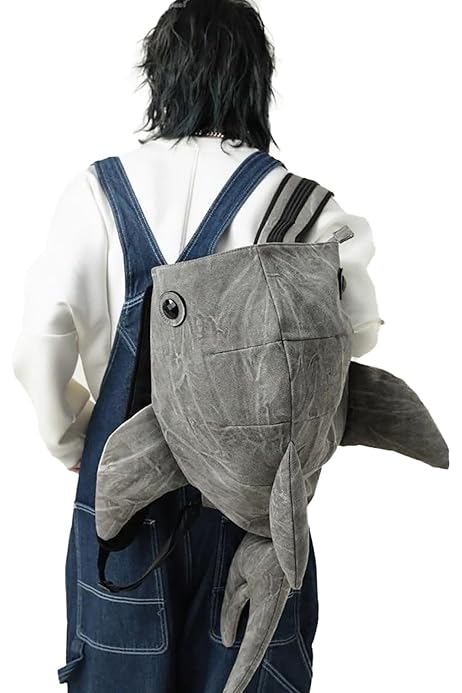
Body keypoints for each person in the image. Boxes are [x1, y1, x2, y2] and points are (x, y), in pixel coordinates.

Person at [11, 0, 383, 690]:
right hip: (254, 518)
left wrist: (75, 444)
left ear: (161, 78)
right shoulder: (303, 206)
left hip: (123, 511)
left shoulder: (94, 196)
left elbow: (38, 348)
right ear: (255, 82)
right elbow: (354, 334)